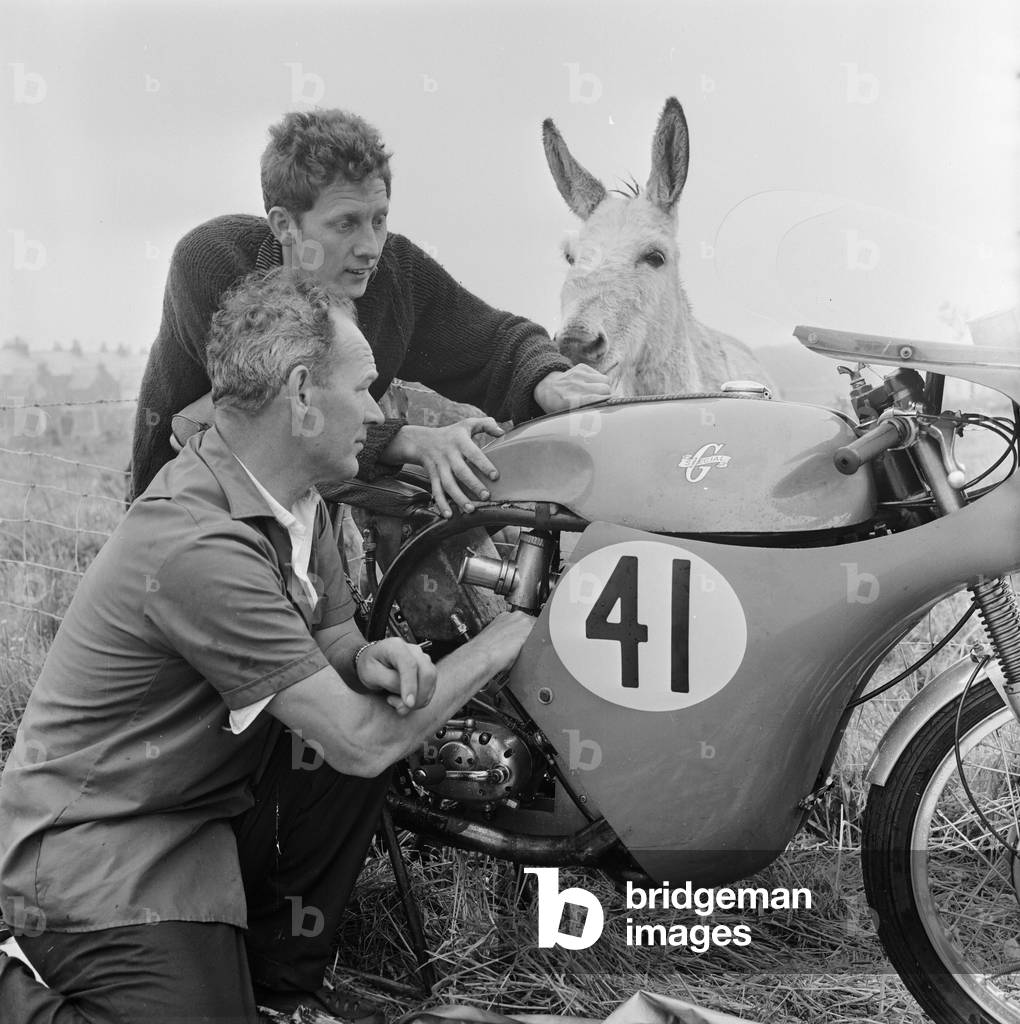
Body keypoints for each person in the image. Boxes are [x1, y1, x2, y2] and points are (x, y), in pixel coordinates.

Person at [0, 268, 536, 1023]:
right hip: (97, 838)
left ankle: (284, 990)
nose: (376, 412)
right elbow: (357, 744)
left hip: (195, 807)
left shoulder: (297, 500)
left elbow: (337, 640)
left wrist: (368, 661)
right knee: (362, 735)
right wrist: (507, 639)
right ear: (303, 395)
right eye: (364, 388)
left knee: (374, 704)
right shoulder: (199, 546)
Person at [131, 107, 610, 515]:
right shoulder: (213, 262)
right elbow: (273, 420)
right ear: (285, 225)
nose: (370, 247)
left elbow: (494, 340)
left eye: (379, 219)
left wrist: (544, 378)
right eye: (346, 223)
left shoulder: (393, 275)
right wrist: (410, 441)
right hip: (189, 512)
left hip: (304, 510)